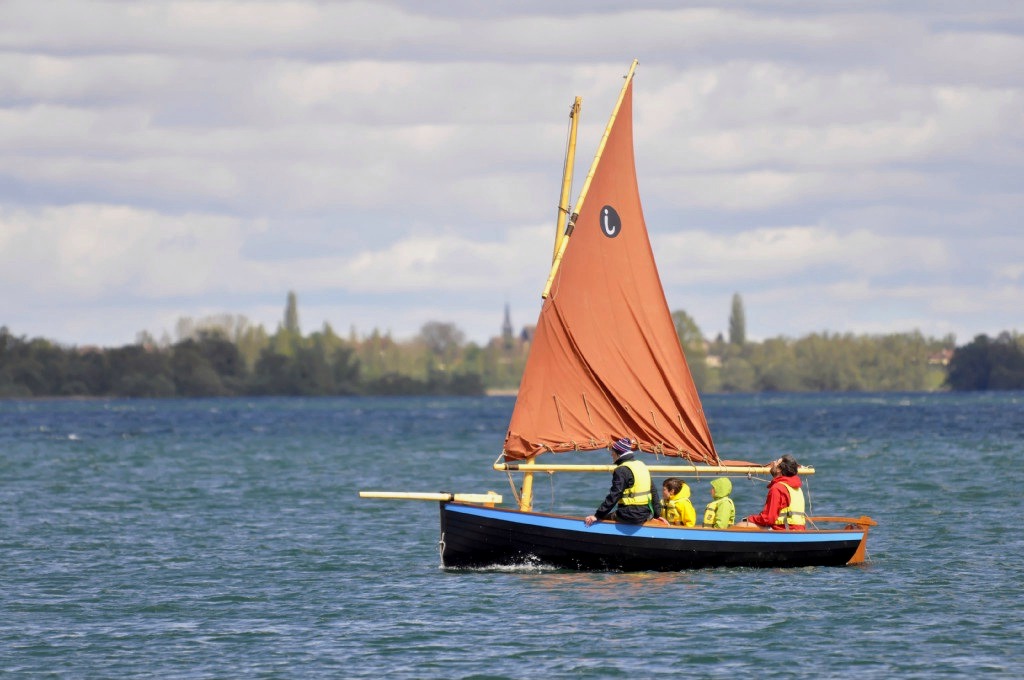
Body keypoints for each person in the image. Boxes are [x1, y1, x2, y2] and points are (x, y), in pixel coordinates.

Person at [584, 437, 661, 526]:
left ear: (618, 454)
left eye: (612, 452)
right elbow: (653, 491)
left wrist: (597, 515)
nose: (611, 455)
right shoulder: (641, 465)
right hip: (645, 513)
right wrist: (657, 515)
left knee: (600, 521)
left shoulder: (621, 470)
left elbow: (615, 495)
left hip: (630, 515)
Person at [743, 454, 806, 531]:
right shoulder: (797, 488)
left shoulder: (777, 488)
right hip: (799, 530)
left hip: (783, 530)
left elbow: (768, 519)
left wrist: (749, 519)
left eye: (776, 462)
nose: (773, 463)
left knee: (741, 525)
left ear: (779, 469)